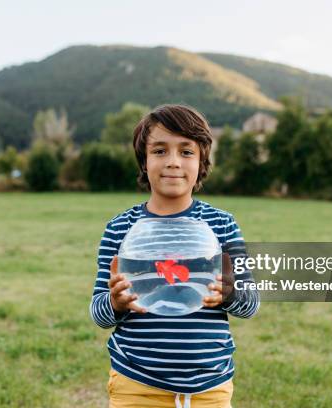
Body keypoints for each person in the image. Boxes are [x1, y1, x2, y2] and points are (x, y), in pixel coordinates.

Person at [89, 104, 260, 408]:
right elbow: (98, 313)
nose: (172, 162)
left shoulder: (223, 225)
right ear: (144, 161)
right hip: (137, 385)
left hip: (210, 386)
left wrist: (230, 293)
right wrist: (115, 303)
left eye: (186, 152)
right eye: (159, 151)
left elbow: (250, 304)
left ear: (201, 161)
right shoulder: (120, 229)